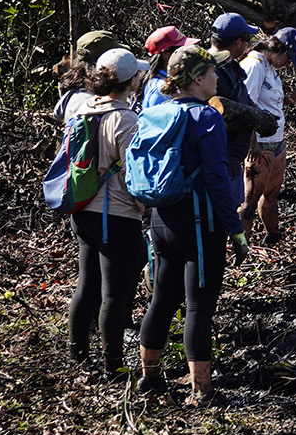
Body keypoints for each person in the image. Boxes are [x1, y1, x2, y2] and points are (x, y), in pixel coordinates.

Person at [136, 46, 246, 407]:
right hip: (200, 220)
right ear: (198, 78)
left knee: (164, 295)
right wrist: (236, 227)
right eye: (213, 72)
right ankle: (201, 390)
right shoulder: (206, 118)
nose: (218, 78)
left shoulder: (154, 111)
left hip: (162, 216)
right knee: (199, 305)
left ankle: (149, 375)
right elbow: (216, 177)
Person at [68, 50, 147, 379]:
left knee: (87, 284)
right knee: (114, 291)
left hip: (82, 208)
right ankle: (112, 365)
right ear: (130, 82)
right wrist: (144, 210)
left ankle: (77, 355)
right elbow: (134, 175)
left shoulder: (82, 108)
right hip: (114, 215)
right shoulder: (125, 119)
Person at [206, 13, 277, 172]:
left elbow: (242, 99)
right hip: (217, 160)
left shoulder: (231, 65)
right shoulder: (206, 70)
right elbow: (212, 111)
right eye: (247, 40)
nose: (248, 45)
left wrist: (253, 141)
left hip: (232, 158)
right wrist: (255, 117)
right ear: (238, 42)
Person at [241, 35, 292, 242]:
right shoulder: (254, 66)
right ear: (277, 50)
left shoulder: (269, 67)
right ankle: (241, 244)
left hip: (276, 139)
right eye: (288, 57)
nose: (288, 63)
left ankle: (273, 235)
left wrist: (289, 100)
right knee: (250, 199)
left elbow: (268, 103)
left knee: (271, 194)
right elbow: (247, 106)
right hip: (260, 142)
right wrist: (252, 142)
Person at [140, 26, 192, 110]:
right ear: (166, 54)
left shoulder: (165, 80)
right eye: (182, 49)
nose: (186, 53)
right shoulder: (160, 88)